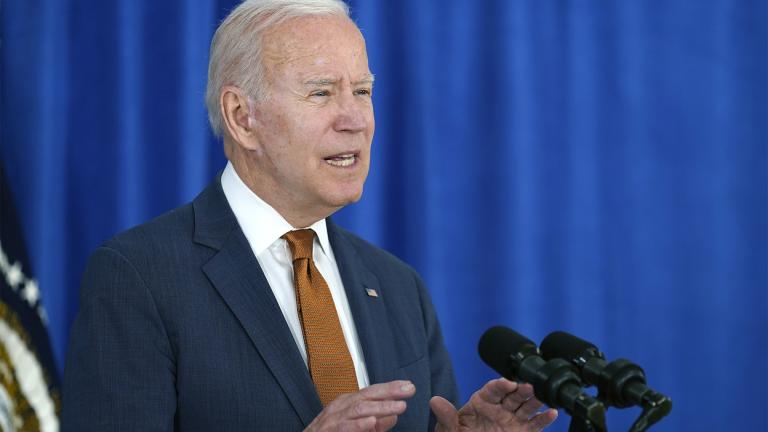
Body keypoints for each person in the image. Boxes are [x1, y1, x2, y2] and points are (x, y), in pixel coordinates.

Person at [62, 1, 558, 431]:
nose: (355, 119)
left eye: (362, 91)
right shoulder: (139, 277)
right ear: (241, 117)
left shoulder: (398, 286)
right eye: (321, 93)